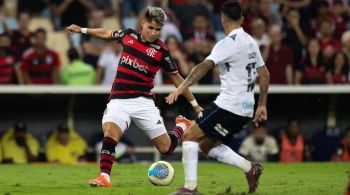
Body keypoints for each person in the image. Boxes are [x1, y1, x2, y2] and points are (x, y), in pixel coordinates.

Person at [66, 6, 202, 187]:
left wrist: (195, 104)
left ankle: (181, 125)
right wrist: (82, 30)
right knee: (110, 132)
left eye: (158, 30)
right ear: (143, 23)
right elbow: (107, 33)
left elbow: (177, 78)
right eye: (151, 28)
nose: (154, 33)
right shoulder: (128, 35)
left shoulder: (161, 51)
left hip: (143, 102)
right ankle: (104, 177)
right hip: (119, 100)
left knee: (166, 148)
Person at [166, 1, 270, 194]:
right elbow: (264, 74)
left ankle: (190, 189)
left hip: (228, 106)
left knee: (189, 136)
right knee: (206, 145)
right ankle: (251, 168)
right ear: (242, 19)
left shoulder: (226, 44)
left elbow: (203, 66)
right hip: (246, 110)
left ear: (222, 19)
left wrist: (181, 87)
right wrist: (262, 104)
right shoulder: (250, 42)